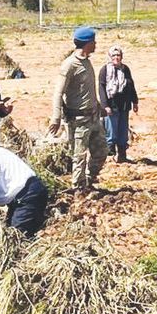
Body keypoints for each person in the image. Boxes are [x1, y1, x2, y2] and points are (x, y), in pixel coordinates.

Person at [48, 27, 108, 191]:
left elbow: (87, 89)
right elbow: (58, 92)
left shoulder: (87, 61)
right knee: (79, 156)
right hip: (78, 120)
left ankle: (89, 180)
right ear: (87, 43)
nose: (96, 44)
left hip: (93, 117)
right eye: (94, 41)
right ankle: (78, 189)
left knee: (102, 151)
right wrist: (56, 117)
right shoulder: (69, 65)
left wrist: (98, 106)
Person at [98, 46, 139, 163]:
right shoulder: (105, 70)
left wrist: (135, 101)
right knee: (111, 131)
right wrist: (105, 105)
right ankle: (109, 157)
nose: (116, 57)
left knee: (123, 130)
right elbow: (101, 88)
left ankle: (122, 156)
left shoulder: (125, 69)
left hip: (124, 104)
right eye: (114, 55)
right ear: (110, 57)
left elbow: (131, 85)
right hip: (111, 104)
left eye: (118, 55)